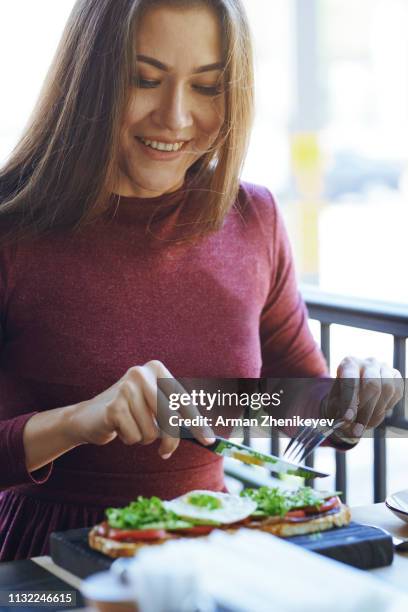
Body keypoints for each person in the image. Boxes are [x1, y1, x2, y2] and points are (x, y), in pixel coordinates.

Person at [0, 0, 402, 561]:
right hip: (41, 567)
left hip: (213, 556)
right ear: (88, 78)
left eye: (208, 87)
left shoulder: (253, 217)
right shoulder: (11, 225)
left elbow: (290, 398)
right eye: (144, 79)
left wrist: (350, 397)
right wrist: (78, 421)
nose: (176, 117)